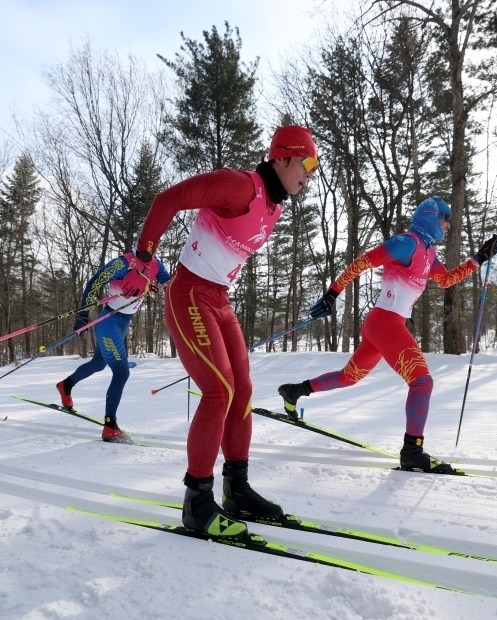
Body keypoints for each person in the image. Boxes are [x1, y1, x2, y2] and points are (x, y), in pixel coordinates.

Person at [118, 125, 318, 539]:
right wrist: (143, 260)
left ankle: (237, 489)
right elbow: (168, 199)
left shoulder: (272, 206)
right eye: (308, 162)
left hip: (219, 300)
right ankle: (198, 500)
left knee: (241, 390)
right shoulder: (237, 185)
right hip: (190, 293)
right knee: (218, 390)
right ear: (282, 157)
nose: (310, 173)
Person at [277, 197, 497, 474]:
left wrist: (479, 258)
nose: (449, 225)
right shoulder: (406, 243)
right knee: (422, 382)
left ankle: (295, 390)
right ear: (433, 217)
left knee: (350, 376)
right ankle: (413, 451)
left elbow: (446, 280)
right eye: (446, 219)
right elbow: (363, 262)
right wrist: (332, 293)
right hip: (386, 324)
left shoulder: (429, 253)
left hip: (383, 324)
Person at [56, 255, 170, 443]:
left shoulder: (157, 264)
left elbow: (170, 282)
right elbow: (94, 282)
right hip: (108, 320)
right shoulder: (123, 263)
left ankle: (66, 385)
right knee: (121, 372)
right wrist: (83, 315)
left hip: (124, 321)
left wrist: (172, 283)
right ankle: (110, 426)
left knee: (99, 362)